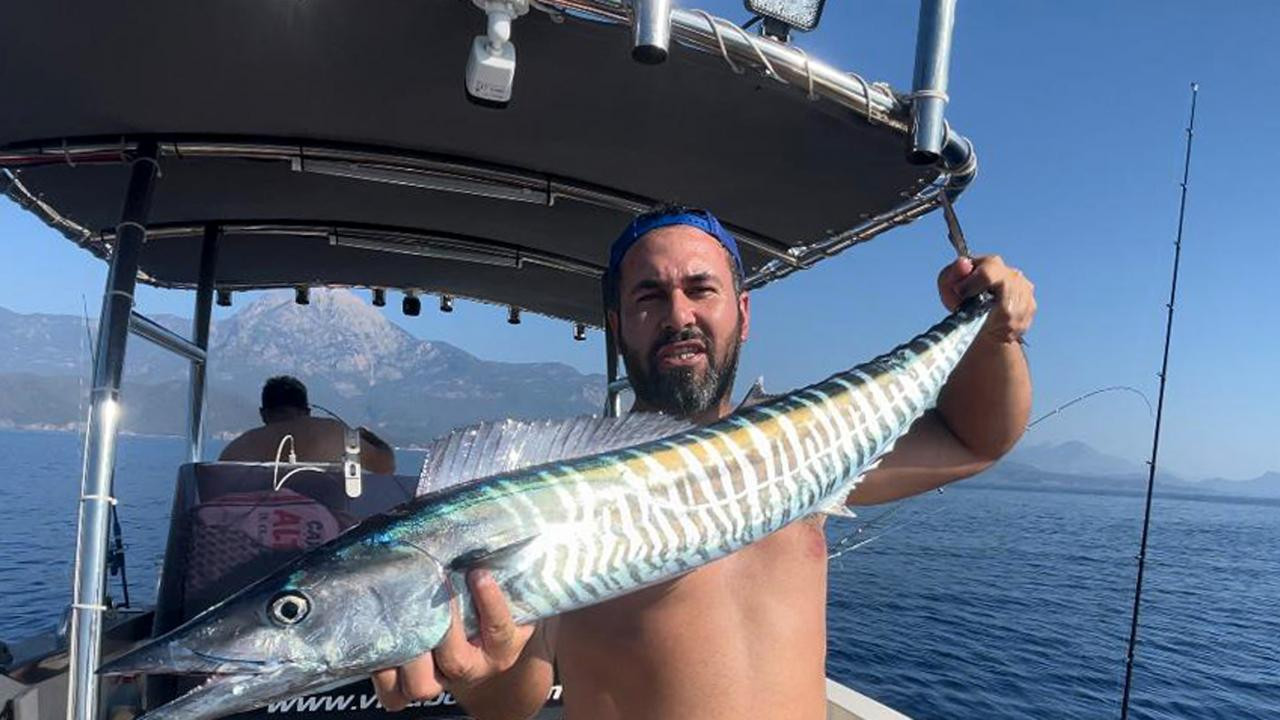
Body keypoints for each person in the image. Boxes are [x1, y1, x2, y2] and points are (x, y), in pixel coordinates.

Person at [372, 207, 1035, 719]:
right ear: (618, 325)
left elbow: (974, 441)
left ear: (741, 313)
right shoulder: (556, 500)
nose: (679, 315)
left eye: (701, 289)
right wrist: (477, 674)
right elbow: (513, 705)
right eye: (650, 296)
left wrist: (995, 335)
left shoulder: (802, 448)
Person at [219, 375, 396, 474]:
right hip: (329, 527)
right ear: (307, 411)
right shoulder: (334, 432)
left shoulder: (237, 447)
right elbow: (386, 466)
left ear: (263, 414)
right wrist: (367, 436)